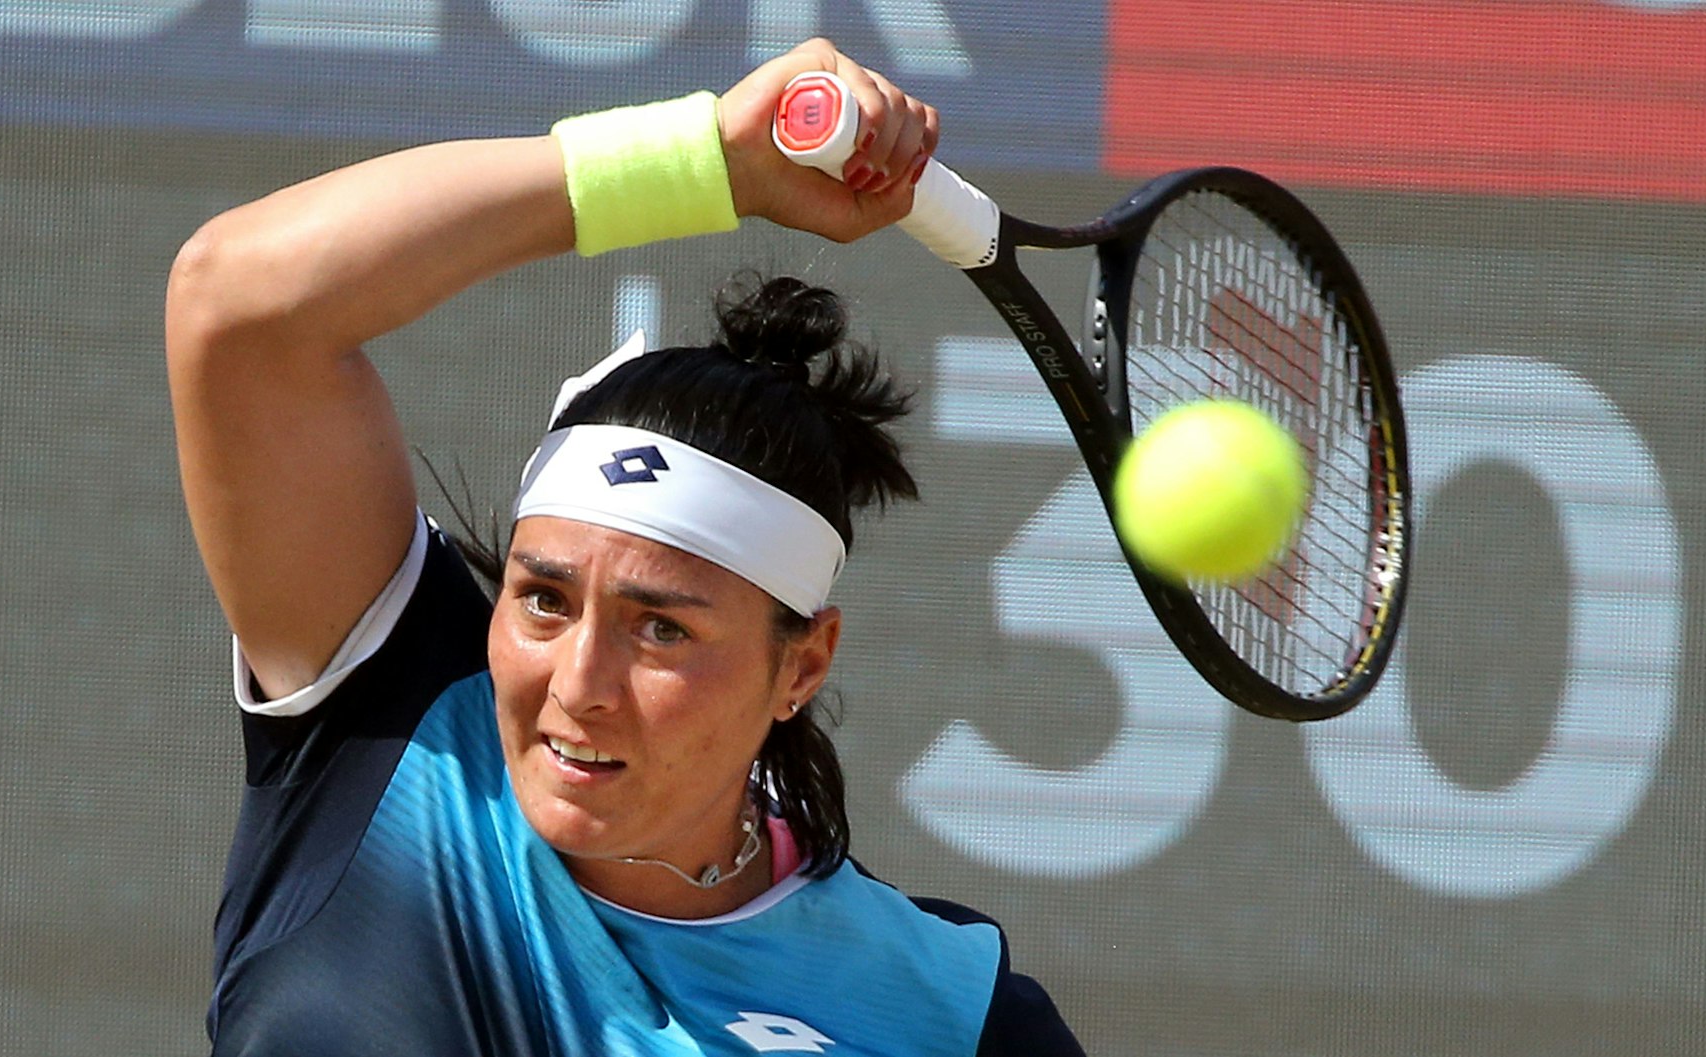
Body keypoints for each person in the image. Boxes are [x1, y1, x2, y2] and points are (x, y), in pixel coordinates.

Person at [167, 38, 1085, 1057]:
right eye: (544, 600)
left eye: (660, 629)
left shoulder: (944, 1010)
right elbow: (236, 298)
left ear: (801, 663)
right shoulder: (392, 728)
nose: (578, 684)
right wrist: (707, 162)